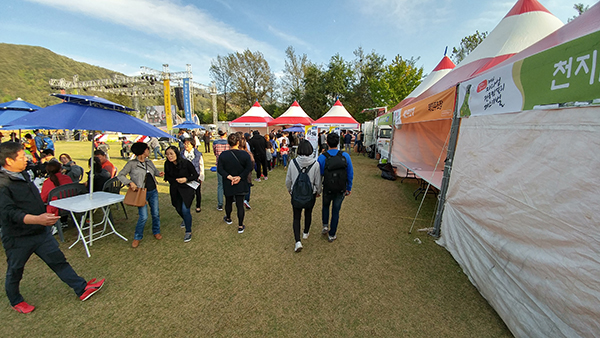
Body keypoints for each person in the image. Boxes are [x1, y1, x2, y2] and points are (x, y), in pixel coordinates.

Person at [0, 141, 105, 314]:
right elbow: (8, 213)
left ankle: (81, 288)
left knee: (58, 260)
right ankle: (16, 300)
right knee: (15, 269)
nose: (26, 159)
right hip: (18, 237)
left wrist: (42, 217)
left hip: (40, 232)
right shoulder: (3, 183)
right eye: (21, 157)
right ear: (9, 161)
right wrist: (37, 218)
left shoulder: (24, 174)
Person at [117, 142, 165, 248]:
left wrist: (159, 173)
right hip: (141, 193)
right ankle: (137, 237)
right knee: (143, 216)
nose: (149, 151)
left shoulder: (149, 162)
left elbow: (155, 172)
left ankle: (156, 231)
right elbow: (120, 175)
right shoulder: (132, 164)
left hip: (153, 191)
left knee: (155, 213)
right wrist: (130, 183)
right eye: (147, 149)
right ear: (143, 151)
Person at [285, 140, 322, 252]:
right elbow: (318, 181)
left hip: (296, 194)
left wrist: (290, 190)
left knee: (296, 217)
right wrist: (318, 191)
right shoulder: (315, 164)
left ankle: (297, 241)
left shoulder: (293, 162)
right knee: (308, 213)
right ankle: (305, 232)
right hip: (310, 194)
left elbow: (288, 179)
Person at [317, 132, 354, 242]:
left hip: (327, 187)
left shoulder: (322, 157)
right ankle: (332, 234)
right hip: (341, 188)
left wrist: (318, 189)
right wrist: (349, 187)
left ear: (327, 142)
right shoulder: (345, 156)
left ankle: (325, 226)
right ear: (338, 142)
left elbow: (319, 174)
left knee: (325, 206)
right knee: (336, 211)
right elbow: (350, 173)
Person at [217, 133, 252, 234]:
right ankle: (240, 225)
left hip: (229, 182)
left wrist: (229, 177)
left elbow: (220, 169)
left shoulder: (223, 155)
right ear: (238, 142)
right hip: (241, 182)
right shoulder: (245, 154)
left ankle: (228, 218)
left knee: (228, 201)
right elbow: (249, 168)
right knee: (240, 204)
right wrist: (240, 177)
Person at [164, 146, 199, 243]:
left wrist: (186, 179)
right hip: (175, 189)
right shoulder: (167, 164)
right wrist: (167, 177)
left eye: (171, 154)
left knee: (185, 209)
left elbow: (195, 175)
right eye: (167, 154)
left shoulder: (186, 163)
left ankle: (188, 231)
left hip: (186, 189)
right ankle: (185, 219)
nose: (169, 156)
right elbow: (168, 177)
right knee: (177, 207)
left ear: (176, 153)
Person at [181, 138, 204, 213]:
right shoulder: (181, 154)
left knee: (197, 192)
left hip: (196, 176)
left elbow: (201, 165)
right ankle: (187, 205)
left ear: (192, 145)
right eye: (185, 144)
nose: (186, 145)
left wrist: (201, 176)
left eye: (188, 144)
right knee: (187, 192)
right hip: (186, 177)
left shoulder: (197, 154)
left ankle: (198, 206)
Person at [213, 128, 229, 211]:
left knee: (220, 185)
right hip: (229, 165)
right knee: (229, 183)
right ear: (225, 133)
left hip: (220, 164)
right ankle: (231, 199)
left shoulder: (215, 143)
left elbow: (215, 153)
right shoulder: (229, 142)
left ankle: (220, 204)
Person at [237, 133, 254, 210]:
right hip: (247, 174)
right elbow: (252, 163)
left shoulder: (236, 153)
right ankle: (246, 200)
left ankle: (239, 199)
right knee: (247, 186)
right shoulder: (248, 154)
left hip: (237, 173)